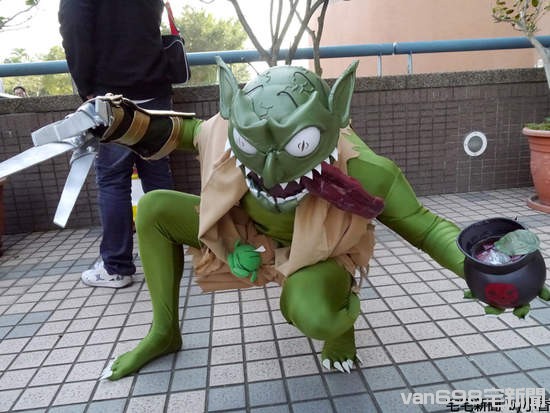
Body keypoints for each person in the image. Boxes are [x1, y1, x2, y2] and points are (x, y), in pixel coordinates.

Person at [81, 60, 470, 380]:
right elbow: (177, 131)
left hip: (318, 253)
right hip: (251, 236)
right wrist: (114, 120)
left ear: (336, 115)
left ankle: (340, 320)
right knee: (154, 208)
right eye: (253, 143)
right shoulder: (228, 132)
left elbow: (427, 227)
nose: (271, 169)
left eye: (299, 144)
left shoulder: (364, 169)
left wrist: (483, 269)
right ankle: (164, 332)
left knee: (318, 317)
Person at [58, 0, 174, 288]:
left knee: (113, 180)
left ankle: (117, 267)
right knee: (158, 173)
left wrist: (86, 88)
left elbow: (74, 29)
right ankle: (171, 254)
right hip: (155, 88)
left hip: (111, 95)